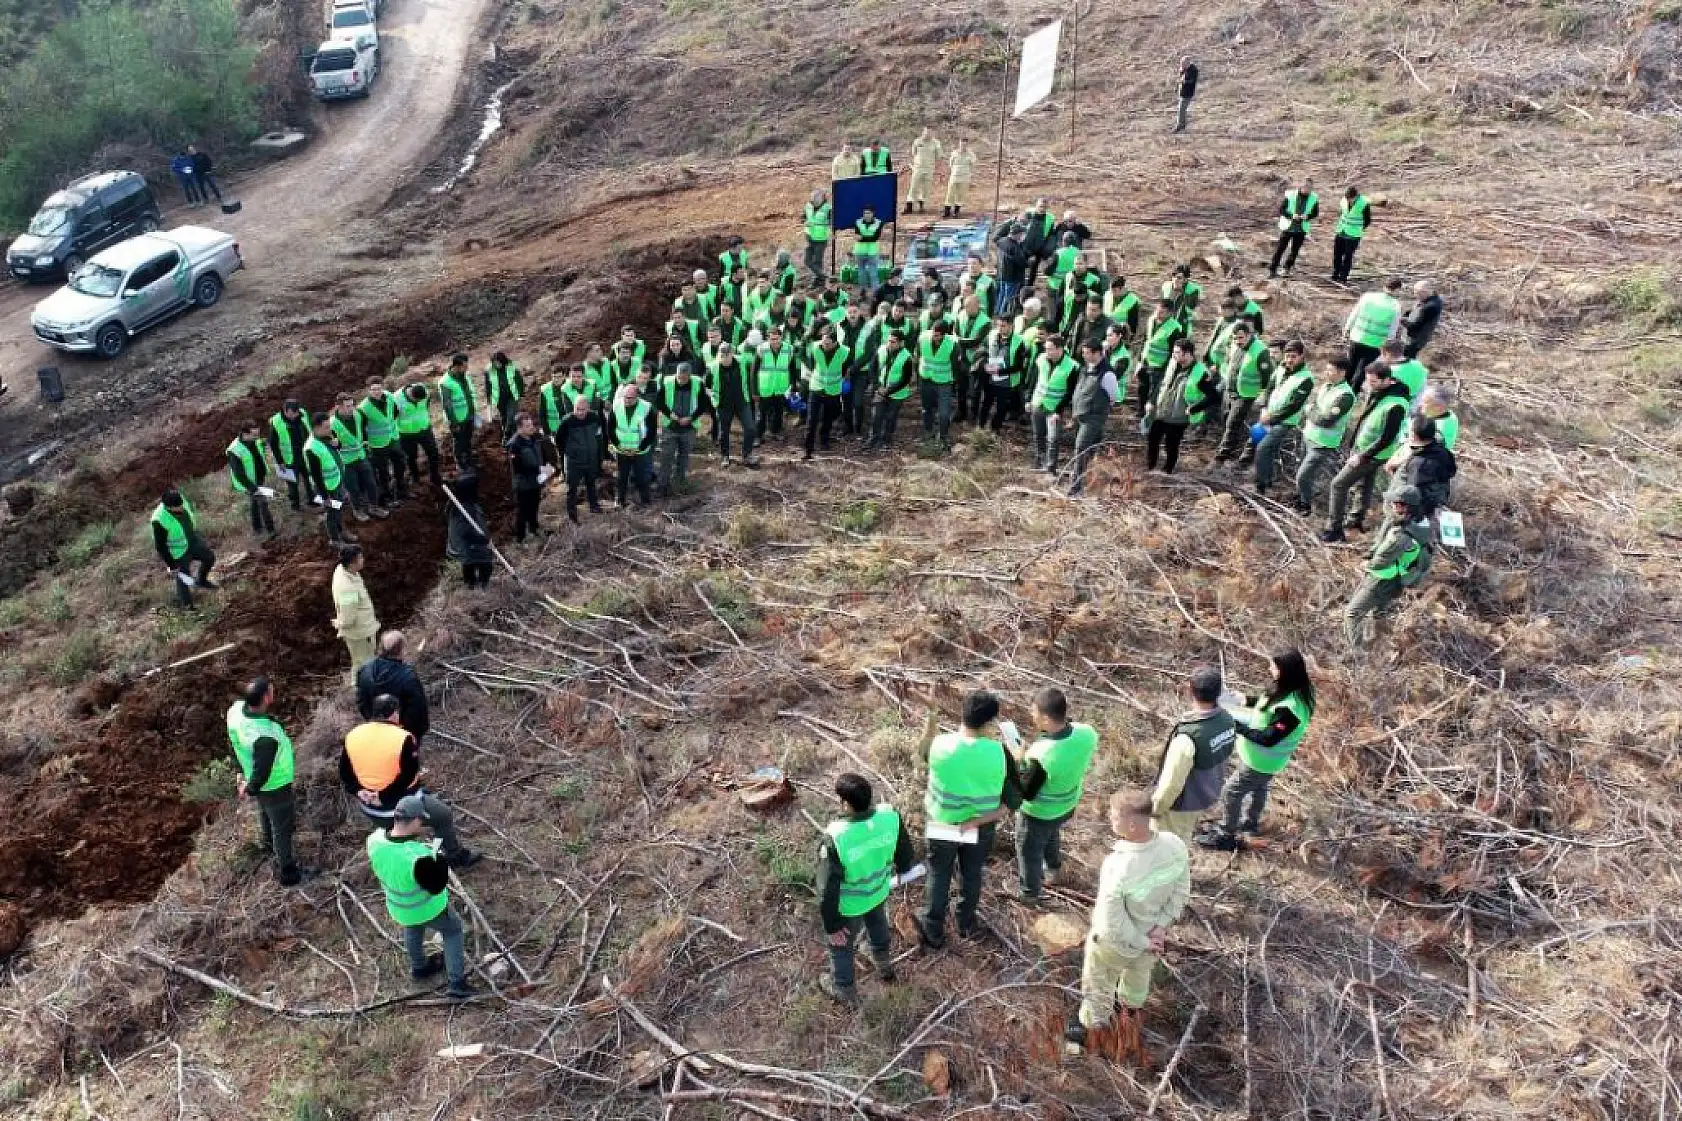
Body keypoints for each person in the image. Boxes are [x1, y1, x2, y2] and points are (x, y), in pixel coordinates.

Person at [1062, 789, 1192, 1052]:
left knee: (1098, 983)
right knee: (1138, 976)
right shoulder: (1174, 845)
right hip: (1152, 938)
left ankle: (1090, 1030)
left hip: (1116, 944)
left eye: (1114, 815)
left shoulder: (1118, 866)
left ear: (1132, 825)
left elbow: (1111, 921)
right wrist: (1160, 927)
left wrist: (1142, 941)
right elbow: (1181, 890)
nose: (1109, 818)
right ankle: (1129, 1016)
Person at [915, 691, 1023, 948]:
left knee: (939, 874)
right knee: (972, 874)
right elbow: (1014, 801)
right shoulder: (999, 753)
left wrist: (931, 714)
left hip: (943, 825)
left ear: (962, 713)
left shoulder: (940, 745)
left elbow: (922, 751)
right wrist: (1018, 756)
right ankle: (966, 923)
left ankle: (933, 930)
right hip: (980, 828)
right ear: (989, 723)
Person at [341, 694, 481, 866]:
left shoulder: (353, 735)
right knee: (443, 815)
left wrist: (359, 791)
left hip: (369, 809)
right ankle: (455, 856)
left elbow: (345, 773)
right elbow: (407, 777)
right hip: (396, 809)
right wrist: (383, 797)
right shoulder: (403, 738)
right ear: (394, 713)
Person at [815, 773, 918, 1002]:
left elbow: (826, 890)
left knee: (840, 946)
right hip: (879, 890)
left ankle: (843, 990)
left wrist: (833, 926)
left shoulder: (836, 836)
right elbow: (905, 853)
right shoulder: (889, 816)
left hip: (850, 905)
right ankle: (883, 964)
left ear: (845, 803)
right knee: (877, 921)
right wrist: (902, 870)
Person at [1201, 650, 1316, 850]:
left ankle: (1226, 833)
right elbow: (1268, 703)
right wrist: (1245, 700)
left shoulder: (1290, 710)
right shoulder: (1295, 689)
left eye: (1273, 666)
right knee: (1259, 788)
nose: (1269, 669)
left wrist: (1235, 725)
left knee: (1231, 792)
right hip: (1263, 762)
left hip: (1261, 762)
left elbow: (1267, 739)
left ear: (1285, 671)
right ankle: (1250, 824)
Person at [366, 794, 477, 999]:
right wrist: (440, 861)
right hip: (427, 908)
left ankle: (419, 967)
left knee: (413, 928)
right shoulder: (418, 857)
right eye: (421, 820)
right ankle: (457, 984)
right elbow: (436, 886)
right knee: (453, 931)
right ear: (416, 820)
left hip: (400, 908)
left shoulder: (375, 841)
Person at [1014, 688, 1099, 902]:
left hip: (1039, 813)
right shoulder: (1086, 733)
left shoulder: (1042, 754)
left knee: (1029, 852)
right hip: (1067, 805)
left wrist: (1019, 760)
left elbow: (1027, 792)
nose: (1031, 715)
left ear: (1045, 717)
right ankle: (1053, 867)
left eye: (1033, 712)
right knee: (1051, 834)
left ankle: (1029, 893)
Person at [226, 676, 306, 886]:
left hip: (255, 779)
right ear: (266, 698)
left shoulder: (235, 712)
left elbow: (233, 743)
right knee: (282, 827)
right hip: (274, 785)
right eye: (271, 691)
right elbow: (263, 771)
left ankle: (268, 846)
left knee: (265, 813)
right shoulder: (265, 737)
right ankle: (288, 873)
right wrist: (250, 788)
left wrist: (241, 773)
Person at [1321, 362, 1409, 542]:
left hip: (1373, 454)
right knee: (1364, 484)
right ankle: (1355, 520)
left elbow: (1386, 438)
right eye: (1368, 381)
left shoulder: (1396, 405)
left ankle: (1334, 530)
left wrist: (1362, 456)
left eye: (1374, 382)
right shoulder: (1382, 392)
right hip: (1365, 449)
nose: (1370, 385)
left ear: (1387, 380)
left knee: (1338, 485)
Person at [1150, 665, 1237, 841]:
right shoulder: (1227, 720)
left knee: (1171, 843)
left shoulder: (1187, 739)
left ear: (1191, 691)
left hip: (1181, 805)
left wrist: (1154, 810)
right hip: (1206, 793)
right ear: (1218, 693)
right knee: (1184, 834)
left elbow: (1171, 785)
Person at [1345, 486, 1433, 647]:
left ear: (1404, 507)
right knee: (1380, 611)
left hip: (1382, 578)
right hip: (1399, 577)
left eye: (1395, 503)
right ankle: (1380, 643)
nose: (1391, 505)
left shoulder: (1402, 534)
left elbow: (1382, 559)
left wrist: (1366, 564)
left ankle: (1356, 654)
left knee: (1352, 613)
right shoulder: (1422, 525)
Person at [1295, 357, 1357, 515]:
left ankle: (1306, 505)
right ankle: (1301, 497)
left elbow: (1326, 420)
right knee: (1302, 472)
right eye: (1327, 369)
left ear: (1342, 373)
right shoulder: (1326, 386)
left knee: (1303, 475)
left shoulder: (1345, 396)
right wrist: (1313, 412)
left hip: (1323, 442)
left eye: (1330, 370)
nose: (1326, 373)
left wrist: (1310, 412)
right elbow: (1313, 404)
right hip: (1309, 435)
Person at [1144, 338, 1215, 474]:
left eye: (1177, 352)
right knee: (1153, 438)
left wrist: (1195, 408)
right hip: (1161, 411)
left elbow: (1213, 397)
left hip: (1179, 416)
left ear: (1187, 354)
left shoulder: (1200, 373)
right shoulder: (1172, 364)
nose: (1173, 355)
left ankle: (1167, 470)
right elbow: (1161, 383)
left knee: (1171, 444)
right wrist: (1151, 401)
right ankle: (1150, 466)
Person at [1254, 340, 1313, 496]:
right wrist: (1264, 408)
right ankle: (1269, 480)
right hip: (1268, 415)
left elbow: (1293, 406)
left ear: (1301, 356)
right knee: (1268, 449)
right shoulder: (1281, 368)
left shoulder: (1306, 379)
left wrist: (1271, 418)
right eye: (1287, 356)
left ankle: (1261, 486)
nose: (1289, 360)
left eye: (1293, 356)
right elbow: (1270, 388)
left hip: (1285, 421)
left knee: (1262, 449)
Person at [1213, 320, 1274, 467]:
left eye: (1240, 337)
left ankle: (1221, 457)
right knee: (1227, 419)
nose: (1237, 341)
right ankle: (1232, 450)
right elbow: (1230, 364)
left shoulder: (1260, 351)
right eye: (1235, 338)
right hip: (1231, 391)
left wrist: (1262, 396)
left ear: (1248, 335)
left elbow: (1268, 377)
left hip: (1247, 395)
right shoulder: (1234, 346)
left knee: (1232, 423)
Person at [356, 629, 431, 741]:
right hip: (401, 734)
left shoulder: (365, 669)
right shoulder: (408, 677)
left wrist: (371, 720)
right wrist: (417, 732)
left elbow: (361, 700)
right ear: (401, 650)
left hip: (375, 728)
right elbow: (418, 710)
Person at [1067, 340, 1120, 496]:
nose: (1083, 355)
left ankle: (1076, 487)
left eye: (1087, 352)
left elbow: (1113, 396)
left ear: (1097, 353)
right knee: (1090, 450)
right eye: (1083, 352)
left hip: (1093, 417)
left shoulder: (1107, 374)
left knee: (1081, 448)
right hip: (1080, 414)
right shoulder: (1084, 369)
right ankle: (1089, 479)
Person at [151, 488, 217, 608]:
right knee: (183, 578)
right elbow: (160, 546)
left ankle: (201, 581)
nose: (181, 507)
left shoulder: (179, 499)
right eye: (178, 507)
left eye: (181, 504)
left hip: (192, 541)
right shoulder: (159, 520)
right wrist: (171, 565)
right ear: (169, 507)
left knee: (209, 557)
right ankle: (188, 607)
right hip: (178, 552)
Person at [1385, 416, 1457, 517]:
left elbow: (1411, 495)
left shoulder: (1418, 464)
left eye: (1409, 430)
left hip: (1407, 513)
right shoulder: (1443, 452)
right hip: (1435, 505)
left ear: (1414, 435)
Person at [304, 411, 356, 547]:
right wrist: (324, 496)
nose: (329, 429)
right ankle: (335, 540)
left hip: (337, 482)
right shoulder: (311, 448)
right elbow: (316, 475)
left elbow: (337, 448)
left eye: (329, 426)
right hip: (327, 488)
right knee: (332, 513)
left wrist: (337, 444)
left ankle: (342, 531)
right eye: (326, 427)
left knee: (339, 508)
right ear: (316, 428)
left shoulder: (327, 435)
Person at [554, 393, 608, 522]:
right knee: (571, 489)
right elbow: (558, 440)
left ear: (588, 408)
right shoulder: (567, 421)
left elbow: (601, 434)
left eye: (583, 409)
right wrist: (570, 453)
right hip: (574, 462)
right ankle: (572, 515)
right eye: (577, 409)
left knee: (591, 484)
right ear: (573, 408)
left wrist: (599, 452)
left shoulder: (594, 418)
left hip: (591, 459)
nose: (580, 412)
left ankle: (594, 506)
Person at [1028, 334, 1077, 474]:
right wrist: (1028, 398)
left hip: (1054, 408)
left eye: (1050, 349)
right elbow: (1033, 379)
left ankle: (1050, 468)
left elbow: (1070, 392)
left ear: (1059, 349)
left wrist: (1059, 410)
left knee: (1053, 439)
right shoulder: (1041, 359)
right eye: (1046, 348)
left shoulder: (1072, 366)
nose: (1046, 352)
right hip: (1038, 403)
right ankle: (1040, 460)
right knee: (1038, 435)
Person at [332, 394, 385, 522]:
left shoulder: (357, 415)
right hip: (346, 462)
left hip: (361, 456)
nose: (351, 409)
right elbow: (331, 446)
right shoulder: (333, 424)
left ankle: (374, 507)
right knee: (353, 489)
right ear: (338, 406)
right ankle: (357, 510)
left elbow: (362, 432)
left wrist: (366, 442)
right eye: (347, 406)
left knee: (371, 483)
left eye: (352, 405)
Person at [331, 545, 379, 685]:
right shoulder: (347, 589)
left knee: (364, 661)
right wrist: (339, 623)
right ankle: (360, 688)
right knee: (363, 663)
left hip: (362, 628)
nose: (363, 560)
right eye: (360, 558)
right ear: (352, 563)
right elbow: (348, 618)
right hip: (360, 633)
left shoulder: (345, 570)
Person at [1345, 279, 1403, 390]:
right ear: (1397, 290)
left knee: (1351, 364)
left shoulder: (1368, 297)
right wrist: (1387, 345)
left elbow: (1354, 313)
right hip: (1375, 343)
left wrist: (1347, 328)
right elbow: (1393, 329)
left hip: (1357, 337)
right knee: (1363, 370)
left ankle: (1343, 388)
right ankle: (1353, 391)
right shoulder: (1395, 306)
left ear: (1384, 286)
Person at [360, 380, 409, 507]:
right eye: (373, 389)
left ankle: (401, 490)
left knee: (401, 463)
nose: (377, 392)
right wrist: (366, 444)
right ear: (368, 391)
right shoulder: (363, 408)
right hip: (377, 445)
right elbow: (361, 428)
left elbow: (395, 412)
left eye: (379, 388)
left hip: (393, 439)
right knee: (382, 472)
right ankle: (386, 498)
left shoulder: (389, 396)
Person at [804, 325, 850, 460]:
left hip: (833, 389)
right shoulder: (814, 347)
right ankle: (808, 448)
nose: (825, 345)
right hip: (816, 387)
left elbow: (846, 368)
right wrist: (811, 369)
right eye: (823, 342)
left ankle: (824, 440)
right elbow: (807, 358)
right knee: (811, 419)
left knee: (828, 418)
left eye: (828, 343)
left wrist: (844, 380)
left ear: (835, 342)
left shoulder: (844, 352)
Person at [710, 340, 759, 467]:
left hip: (741, 401)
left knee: (750, 428)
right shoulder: (713, 367)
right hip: (723, 405)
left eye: (727, 355)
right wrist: (713, 398)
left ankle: (746, 455)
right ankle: (725, 456)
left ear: (732, 353)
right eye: (722, 356)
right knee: (724, 432)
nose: (724, 359)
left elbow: (755, 362)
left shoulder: (742, 361)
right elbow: (705, 385)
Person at [657, 361, 703, 495]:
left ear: (689, 376)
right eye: (678, 377)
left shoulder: (697, 383)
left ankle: (680, 482)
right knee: (667, 456)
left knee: (684, 457)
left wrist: (691, 418)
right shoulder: (667, 382)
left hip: (689, 427)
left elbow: (702, 405)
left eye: (683, 378)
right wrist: (670, 414)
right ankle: (662, 485)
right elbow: (659, 401)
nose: (680, 380)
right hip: (670, 426)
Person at [226, 421, 277, 539]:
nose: (257, 438)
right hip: (249, 483)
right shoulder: (234, 450)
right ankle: (271, 530)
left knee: (255, 503)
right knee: (262, 502)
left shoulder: (254, 441)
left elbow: (260, 449)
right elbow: (239, 474)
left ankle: (257, 527)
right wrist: (253, 488)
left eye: (257, 435)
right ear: (245, 434)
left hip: (259, 478)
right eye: (254, 435)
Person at [866, 330, 915, 451]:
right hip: (880, 389)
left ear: (900, 343)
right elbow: (872, 367)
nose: (889, 344)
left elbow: (905, 379)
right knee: (876, 415)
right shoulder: (881, 349)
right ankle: (873, 439)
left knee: (890, 417)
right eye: (888, 340)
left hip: (897, 393)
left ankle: (886, 440)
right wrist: (877, 386)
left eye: (893, 342)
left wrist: (888, 390)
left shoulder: (907, 357)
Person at [1137, 298, 1186, 419]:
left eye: (1162, 312)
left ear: (1170, 313)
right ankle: (1141, 410)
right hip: (1146, 361)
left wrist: (1168, 369)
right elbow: (1145, 340)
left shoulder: (1175, 328)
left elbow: (1174, 352)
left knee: (1154, 392)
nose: (1158, 313)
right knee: (1142, 387)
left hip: (1160, 365)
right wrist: (1140, 360)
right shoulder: (1151, 320)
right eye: (1157, 310)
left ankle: (1151, 416)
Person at [443, 474, 494, 589]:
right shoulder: (464, 509)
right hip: (470, 547)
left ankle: (475, 588)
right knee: (484, 566)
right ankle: (477, 589)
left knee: (475, 567)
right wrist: (483, 540)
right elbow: (464, 531)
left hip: (472, 547)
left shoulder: (466, 505)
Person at [609, 384, 656, 510]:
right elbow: (611, 428)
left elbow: (652, 431)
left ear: (637, 397)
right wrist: (618, 445)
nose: (627, 400)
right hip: (622, 450)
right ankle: (620, 501)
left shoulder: (647, 408)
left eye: (630, 398)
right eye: (625, 397)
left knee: (642, 477)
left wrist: (640, 448)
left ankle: (645, 501)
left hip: (640, 451)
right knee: (622, 477)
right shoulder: (616, 405)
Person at [505, 412, 547, 540]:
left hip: (535, 481)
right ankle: (521, 537)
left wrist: (544, 469)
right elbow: (518, 467)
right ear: (520, 428)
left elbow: (539, 456)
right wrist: (539, 469)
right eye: (528, 426)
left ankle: (534, 528)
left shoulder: (534, 439)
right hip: (523, 484)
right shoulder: (514, 445)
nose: (531, 428)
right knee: (523, 510)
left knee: (535, 505)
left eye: (531, 425)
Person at [918, 318, 958, 449]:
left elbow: (955, 365)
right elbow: (918, 356)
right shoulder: (923, 338)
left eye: (937, 335)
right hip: (926, 380)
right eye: (933, 333)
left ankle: (943, 436)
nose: (934, 337)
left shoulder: (952, 344)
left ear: (944, 335)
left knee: (944, 413)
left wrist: (954, 383)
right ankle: (928, 432)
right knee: (926, 409)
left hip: (944, 382)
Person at [268, 399, 314, 511]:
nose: (297, 415)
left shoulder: (302, 413)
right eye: (294, 413)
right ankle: (295, 505)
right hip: (289, 460)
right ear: (286, 411)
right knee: (292, 484)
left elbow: (309, 430)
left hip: (305, 455)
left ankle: (312, 499)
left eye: (297, 412)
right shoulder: (276, 422)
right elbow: (273, 444)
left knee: (309, 479)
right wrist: (280, 461)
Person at [1268, 178, 1319, 278]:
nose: (1307, 189)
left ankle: (1287, 268)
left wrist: (1307, 216)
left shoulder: (1314, 198)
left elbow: (1315, 213)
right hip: (1288, 227)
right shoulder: (1290, 195)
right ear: (1301, 186)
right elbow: (1282, 210)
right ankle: (1272, 269)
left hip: (1301, 228)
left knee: (1295, 251)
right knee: (1280, 249)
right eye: (1306, 187)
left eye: (1310, 187)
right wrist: (1291, 216)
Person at [398, 382, 444, 488]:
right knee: (411, 457)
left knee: (433, 453)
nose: (419, 402)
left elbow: (426, 405)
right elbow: (393, 418)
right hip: (406, 434)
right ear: (410, 395)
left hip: (424, 429)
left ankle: (435, 476)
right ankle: (415, 478)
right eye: (417, 400)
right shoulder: (397, 399)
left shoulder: (424, 392)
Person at [438, 353, 480, 469]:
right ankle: (460, 463)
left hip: (469, 415)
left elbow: (470, 395)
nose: (467, 369)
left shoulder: (465, 376)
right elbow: (447, 404)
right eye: (464, 367)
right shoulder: (445, 382)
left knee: (468, 439)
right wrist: (453, 422)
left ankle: (468, 458)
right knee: (459, 441)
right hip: (457, 418)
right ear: (456, 366)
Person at [1332, 187, 1373, 283]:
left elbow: (1367, 220)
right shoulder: (1343, 200)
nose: (1348, 200)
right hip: (1341, 231)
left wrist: (1359, 229)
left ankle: (1343, 277)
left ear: (1356, 197)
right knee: (1337, 255)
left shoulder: (1363, 203)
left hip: (1353, 235)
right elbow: (1342, 213)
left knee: (1348, 256)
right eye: (1347, 198)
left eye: (1350, 199)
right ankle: (1335, 273)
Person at [993, 224, 1031, 316]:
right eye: (1021, 234)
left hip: (1001, 274)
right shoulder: (1014, 247)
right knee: (1008, 298)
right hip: (1012, 276)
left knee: (1001, 295)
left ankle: (997, 311)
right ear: (1017, 234)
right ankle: (1003, 315)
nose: (1022, 236)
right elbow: (1022, 262)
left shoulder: (1001, 241)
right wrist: (1029, 263)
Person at [1401, 280, 1442, 359]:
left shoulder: (1430, 306)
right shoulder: (1431, 298)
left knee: (1406, 359)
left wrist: (1401, 320)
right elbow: (1416, 310)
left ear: (1425, 292)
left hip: (1415, 340)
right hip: (1413, 337)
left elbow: (1415, 326)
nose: (1415, 295)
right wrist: (1406, 314)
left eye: (1417, 293)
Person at [484, 351, 525, 431]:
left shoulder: (512, 367)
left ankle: (510, 434)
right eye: (494, 363)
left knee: (511, 416)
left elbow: (519, 380)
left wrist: (521, 394)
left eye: (498, 363)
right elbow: (488, 386)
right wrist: (489, 400)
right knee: (504, 416)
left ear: (502, 361)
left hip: (512, 396)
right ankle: (506, 434)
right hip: (499, 398)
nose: (496, 365)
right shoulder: (489, 370)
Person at [907, 128, 943, 214]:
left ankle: (921, 207)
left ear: (932, 133)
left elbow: (939, 157)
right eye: (926, 132)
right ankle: (909, 207)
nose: (927, 134)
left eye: (929, 133)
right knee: (913, 186)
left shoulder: (936, 143)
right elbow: (913, 153)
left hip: (929, 168)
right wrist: (915, 164)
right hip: (918, 168)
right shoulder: (917, 141)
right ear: (923, 132)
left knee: (925, 188)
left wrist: (937, 168)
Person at [853, 206, 884, 294]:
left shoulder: (879, 223)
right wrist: (867, 237)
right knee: (861, 272)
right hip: (859, 251)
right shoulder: (858, 222)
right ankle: (863, 291)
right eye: (865, 213)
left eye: (868, 213)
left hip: (872, 251)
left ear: (873, 213)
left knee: (873, 272)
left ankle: (876, 293)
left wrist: (862, 238)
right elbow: (857, 236)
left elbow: (876, 237)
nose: (866, 215)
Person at [803, 188, 833, 280]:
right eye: (812, 198)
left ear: (822, 198)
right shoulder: (808, 206)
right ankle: (822, 276)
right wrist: (805, 222)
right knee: (807, 261)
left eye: (816, 198)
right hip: (809, 237)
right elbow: (804, 218)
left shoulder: (828, 208)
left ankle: (819, 280)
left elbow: (831, 223)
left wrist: (828, 230)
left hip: (821, 239)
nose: (813, 201)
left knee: (817, 261)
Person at [1419, 384, 1460, 450]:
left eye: (1425, 402)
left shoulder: (1441, 428)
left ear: (1438, 407)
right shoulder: (1441, 413)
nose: (1421, 404)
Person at [943, 139, 977, 217]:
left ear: (967, 145)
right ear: (959, 144)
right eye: (962, 144)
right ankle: (947, 211)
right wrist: (954, 171)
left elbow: (973, 164)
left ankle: (956, 211)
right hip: (954, 176)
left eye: (965, 145)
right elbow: (950, 164)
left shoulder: (971, 154)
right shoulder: (954, 153)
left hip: (964, 177)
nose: (963, 146)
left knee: (960, 194)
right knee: (950, 193)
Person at [1174, 56, 1199, 132]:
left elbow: (1191, 81)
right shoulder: (1185, 69)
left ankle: (1179, 126)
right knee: (1181, 109)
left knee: (1181, 110)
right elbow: (1180, 79)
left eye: (1183, 63)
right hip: (1182, 92)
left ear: (1187, 62)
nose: (1181, 65)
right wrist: (1181, 72)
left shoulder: (1193, 70)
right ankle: (1183, 124)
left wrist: (1183, 81)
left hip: (1188, 93)